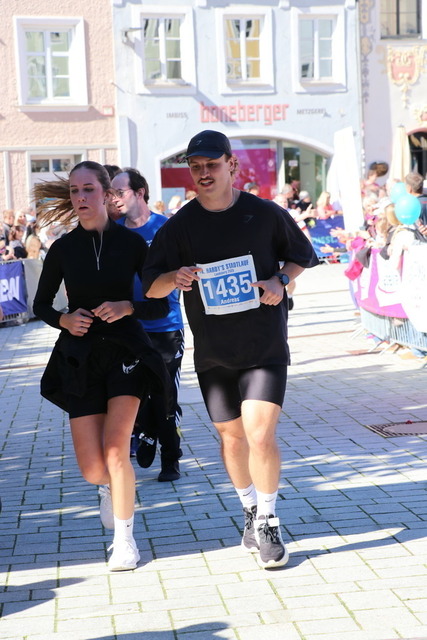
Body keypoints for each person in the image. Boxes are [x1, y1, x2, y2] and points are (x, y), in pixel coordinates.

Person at [142, 130, 319, 569]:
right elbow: (151, 285)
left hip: (264, 345)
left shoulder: (265, 214)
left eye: (212, 164)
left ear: (232, 165)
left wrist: (280, 281)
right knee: (232, 438)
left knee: (259, 434)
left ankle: (270, 523)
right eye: (196, 167)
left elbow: (301, 256)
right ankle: (249, 510)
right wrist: (175, 278)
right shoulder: (179, 226)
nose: (204, 173)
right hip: (214, 354)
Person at [32, 161, 169, 572]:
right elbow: (41, 304)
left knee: (116, 449)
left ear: (107, 195)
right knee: (94, 468)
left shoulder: (132, 245)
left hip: (126, 351)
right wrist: (64, 320)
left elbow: (159, 303)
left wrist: (129, 306)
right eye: (74, 191)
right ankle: (109, 488)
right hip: (80, 357)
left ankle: (125, 542)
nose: (80, 197)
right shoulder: (63, 249)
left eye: (88, 189)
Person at [111, 168, 185, 482]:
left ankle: (170, 459)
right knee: (133, 393)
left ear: (140, 192)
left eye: (120, 192)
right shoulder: (112, 231)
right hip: (128, 328)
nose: (114, 199)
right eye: (111, 194)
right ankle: (147, 430)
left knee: (165, 395)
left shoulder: (166, 227)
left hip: (166, 326)